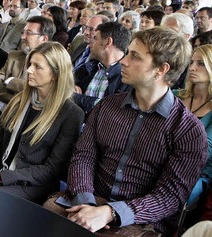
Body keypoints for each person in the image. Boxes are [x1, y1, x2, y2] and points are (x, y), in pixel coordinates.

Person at [44, 27, 207, 235]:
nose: (123, 60)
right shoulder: (107, 106)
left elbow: (169, 197)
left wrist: (111, 212)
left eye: (134, 56)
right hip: (92, 198)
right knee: (49, 212)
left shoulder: (188, 131)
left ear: (161, 69)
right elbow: (83, 156)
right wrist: (86, 201)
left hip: (141, 217)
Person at [0, 42, 84, 235]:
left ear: (56, 74)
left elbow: (51, 169)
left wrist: (1, 178)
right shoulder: (20, 100)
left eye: (37, 66)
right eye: (30, 64)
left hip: (29, 184)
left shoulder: (70, 114)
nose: (29, 71)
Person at [174, 45, 212, 204]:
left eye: (200, 63)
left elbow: (205, 148)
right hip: (162, 161)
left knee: (179, 189)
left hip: (197, 171)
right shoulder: (175, 96)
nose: (192, 67)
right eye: (191, 62)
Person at [0, 16, 54, 104]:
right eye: (23, 32)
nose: (22, 37)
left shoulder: (51, 64)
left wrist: (11, 81)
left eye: (29, 33)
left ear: (44, 39)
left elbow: (41, 94)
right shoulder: (14, 56)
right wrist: (23, 99)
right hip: (3, 110)